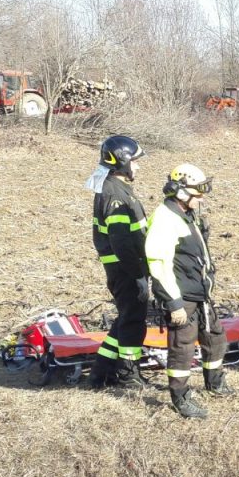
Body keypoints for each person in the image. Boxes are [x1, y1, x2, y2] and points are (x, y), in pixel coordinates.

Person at [145, 164, 235, 418]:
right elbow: (159, 265)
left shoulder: (186, 214)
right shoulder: (165, 219)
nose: (202, 197)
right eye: (198, 192)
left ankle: (215, 383)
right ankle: (181, 398)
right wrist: (173, 304)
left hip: (199, 294)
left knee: (215, 337)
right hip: (181, 297)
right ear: (181, 192)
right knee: (182, 349)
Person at [86, 135, 149, 389]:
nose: (138, 166)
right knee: (133, 322)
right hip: (125, 270)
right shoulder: (114, 194)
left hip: (124, 269)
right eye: (135, 161)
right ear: (122, 161)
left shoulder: (116, 188)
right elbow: (121, 241)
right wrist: (138, 274)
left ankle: (101, 371)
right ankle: (128, 374)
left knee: (125, 318)